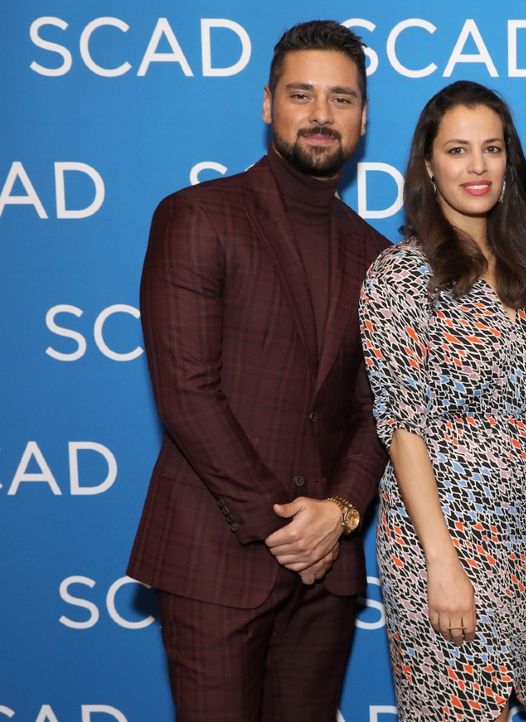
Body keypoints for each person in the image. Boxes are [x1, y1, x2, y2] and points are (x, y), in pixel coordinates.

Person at [127, 20, 388, 722]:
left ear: (362, 118)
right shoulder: (197, 216)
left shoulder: (376, 255)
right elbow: (186, 393)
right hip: (215, 557)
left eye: (340, 98)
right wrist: (283, 528)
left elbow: (379, 409)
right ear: (268, 103)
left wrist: (338, 514)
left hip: (325, 572)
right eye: (302, 94)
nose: (321, 114)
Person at [358, 80, 526, 722]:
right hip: (438, 537)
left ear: (510, 161)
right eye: (457, 150)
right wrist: (439, 562)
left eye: (492, 149)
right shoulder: (399, 275)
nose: (477, 166)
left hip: (518, 539)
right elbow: (403, 425)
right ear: (428, 165)